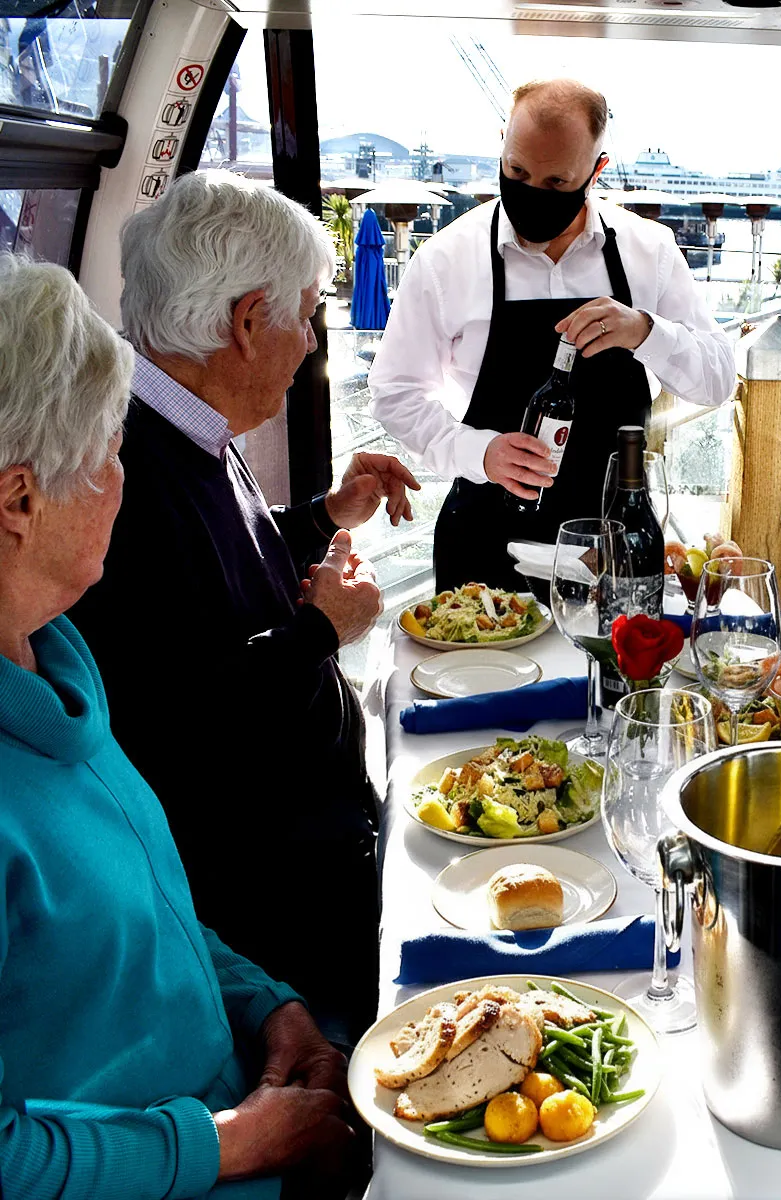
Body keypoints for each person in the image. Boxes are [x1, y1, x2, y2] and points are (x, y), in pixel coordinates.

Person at [0, 254, 353, 1198]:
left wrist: (268, 1006)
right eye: (111, 452)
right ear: (20, 502)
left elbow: (146, 912)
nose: (128, 476)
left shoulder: (56, 666)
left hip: (241, 1087)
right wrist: (235, 1144)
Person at [68, 170, 419, 1052]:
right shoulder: (123, 474)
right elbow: (174, 713)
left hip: (309, 856)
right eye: (306, 315)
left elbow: (220, 586)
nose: (310, 344)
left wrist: (323, 518)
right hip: (266, 909)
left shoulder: (183, 425)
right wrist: (322, 632)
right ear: (247, 319)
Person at [368, 77, 736, 589]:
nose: (533, 191)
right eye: (517, 171)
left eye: (557, 182)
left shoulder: (648, 252)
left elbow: (718, 379)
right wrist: (479, 451)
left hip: (615, 548)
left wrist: (646, 332)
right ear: (501, 145)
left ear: (596, 171)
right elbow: (395, 393)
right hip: (485, 544)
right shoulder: (444, 260)